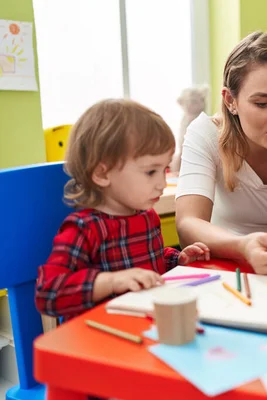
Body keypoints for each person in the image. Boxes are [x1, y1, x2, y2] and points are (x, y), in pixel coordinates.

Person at [36, 99, 210, 321]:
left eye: (164, 169)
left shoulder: (146, 216)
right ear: (102, 173)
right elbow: (48, 293)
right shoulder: (83, 228)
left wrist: (177, 260)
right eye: (150, 172)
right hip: (100, 335)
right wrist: (111, 281)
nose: (162, 183)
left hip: (144, 325)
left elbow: (148, 264)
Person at [175, 31, 267, 275]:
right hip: (227, 268)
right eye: (262, 104)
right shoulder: (205, 134)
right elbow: (187, 224)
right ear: (230, 101)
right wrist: (243, 246)